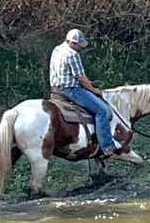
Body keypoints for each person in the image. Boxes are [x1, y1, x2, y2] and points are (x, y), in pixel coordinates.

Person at [49, 29, 121, 157]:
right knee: (102, 110)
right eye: (78, 45)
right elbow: (81, 77)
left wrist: (88, 82)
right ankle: (107, 145)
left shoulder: (57, 49)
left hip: (55, 89)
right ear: (72, 43)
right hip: (70, 90)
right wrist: (94, 90)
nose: (80, 48)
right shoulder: (72, 54)